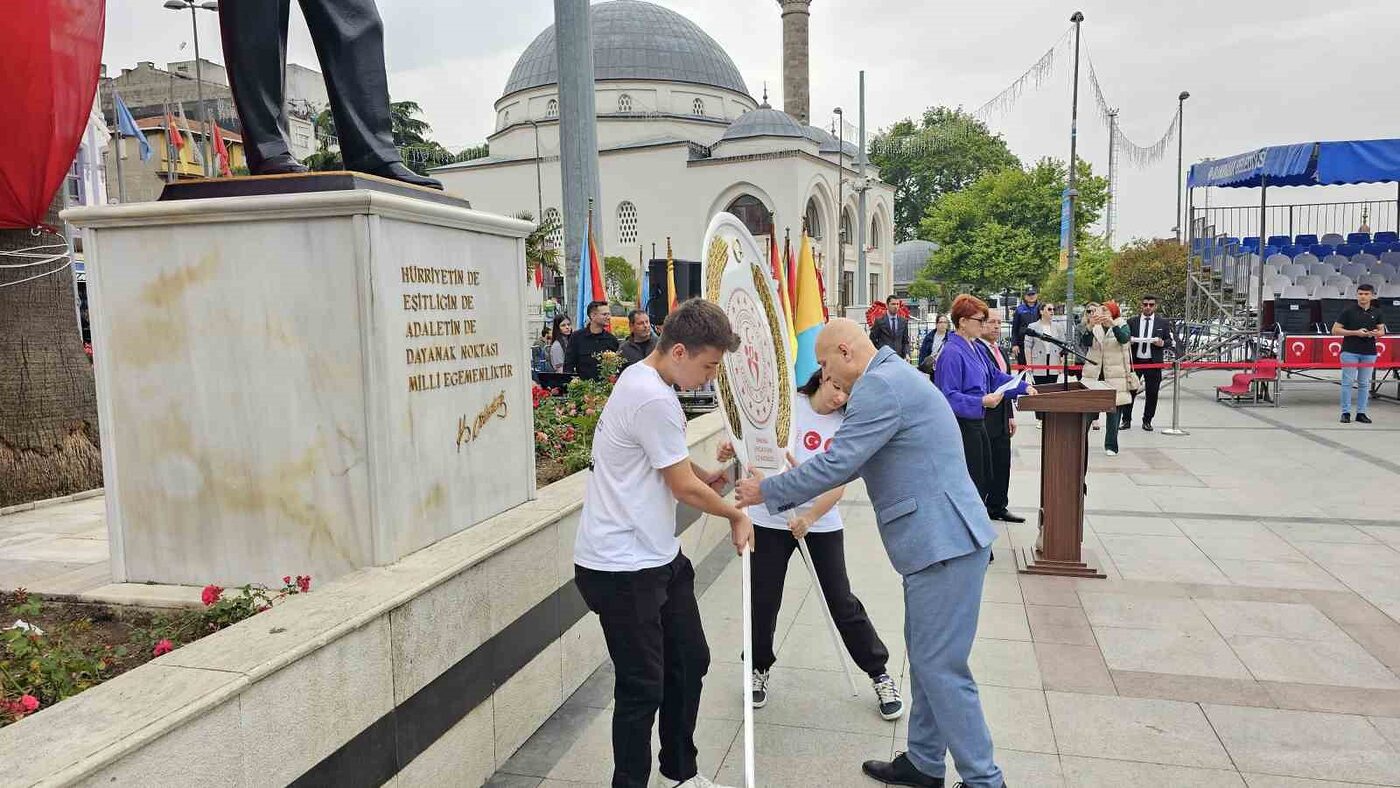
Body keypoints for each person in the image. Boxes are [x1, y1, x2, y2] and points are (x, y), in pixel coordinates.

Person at [735, 318, 1008, 788]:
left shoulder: (879, 388)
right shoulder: (894, 377)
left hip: (942, 543)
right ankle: (924, 763)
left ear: (845, 351)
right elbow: (850, 462)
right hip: (938, 543)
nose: (823, 374)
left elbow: (841, 461)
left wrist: (768, 491)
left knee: (942, 669)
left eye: (823, 363)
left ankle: (985, 780)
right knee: (928, 662)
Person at [574, 298, 752, 788]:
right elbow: (680, 487)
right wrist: (734, 512)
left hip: (656, 558)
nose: (711, 377)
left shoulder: (648, 384)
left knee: (689, 660)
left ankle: (681, 773)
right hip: (620, 567)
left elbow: (671, 465)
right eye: (709, 365)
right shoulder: (652, 397)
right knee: (642, 688)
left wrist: (707, 477)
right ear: (678, 350)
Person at [717, 371, 903, 721]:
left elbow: (838, 481)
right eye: (837, 387)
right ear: (825, 376)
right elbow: (751, 441)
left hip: (820, 523)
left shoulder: (848, 424)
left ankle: (879, 673)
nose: (839, 397)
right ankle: (757, 668)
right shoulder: (789, 407)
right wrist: (732, 446)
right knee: (763, 598)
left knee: (841, 600)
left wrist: (811, 518)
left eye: (847, 393)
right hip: (768, 519)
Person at [936, 295, 1031, 510]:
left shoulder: (976, 347)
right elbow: (947, 396)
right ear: (962, 321)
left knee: (985, 478)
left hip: (978, 424)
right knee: (971, 483)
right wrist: (980, 401)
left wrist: (1023, 386)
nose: (984, 325)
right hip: (961, 426)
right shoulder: (951, 352)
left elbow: (995, 377)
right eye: (980, 320)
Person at [979, 313, 1024, 524]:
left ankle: (998, 505)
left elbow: (1006, 385)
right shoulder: (978, 351)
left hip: (1002, 414)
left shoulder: (1000, 350)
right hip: (984, 413)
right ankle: (981, 508)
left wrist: (1010, 415)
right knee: (984, 466)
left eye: (999, 323)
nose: (997, 327)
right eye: (992, 323)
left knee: (1002, 462)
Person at [1081, 301, 1137, 456]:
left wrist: (1112, 325)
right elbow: (1085, 343)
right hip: (1095, 373)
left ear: (1113, 311)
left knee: (1114, 412)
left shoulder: (1121, 324)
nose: (1102, 313)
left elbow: (1124, 339)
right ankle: (1080, 440)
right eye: (1101, 310)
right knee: (1089, 410)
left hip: (1115, 375)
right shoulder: (1096, 326)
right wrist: (1090, 327)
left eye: (1105, 310)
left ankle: (1111, 445)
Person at [1334, 282, 1386, 424]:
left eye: (1366, 294)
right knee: (1347, 382)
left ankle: (1361, 412)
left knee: (1364, 383)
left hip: (1369, 351)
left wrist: (1376, 333)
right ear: (1357, 295)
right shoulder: (1348, 311)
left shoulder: (1377, 312)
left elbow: (1382, 331)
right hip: (1350, 350)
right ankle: (1345, 412)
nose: (1363, 297)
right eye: (1360, 294)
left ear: (1372, 296)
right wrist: (1355, 333)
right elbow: (1335, 330)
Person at [1123, 294, 1174, 431]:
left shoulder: (1162, 322)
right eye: (1145, 304)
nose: (1147, 307)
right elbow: (1124, 338)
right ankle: (1126, 420)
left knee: (1152, 393)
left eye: (1151, 305)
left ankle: (1147, 420)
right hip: (1136, 362)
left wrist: (1162, 343)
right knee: (1130, 391)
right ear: (1141, 305)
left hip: (1153, 362)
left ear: (1155, 306)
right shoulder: (1132, 321)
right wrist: (1129, 341)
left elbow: (1169, 341)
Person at [1022, 302, 1063, 426]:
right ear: (1041, 311)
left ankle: (1049, 417)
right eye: (1049, 309)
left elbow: (1061, 345)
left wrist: (1061, 362)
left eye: (1053, 309)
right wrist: (1029, 365)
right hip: (1038, 360)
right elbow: (1027, 346)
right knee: (1039, 390)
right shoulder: (1033, 326)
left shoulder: (1058, 327)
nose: (1052, 311)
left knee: (1051, 390)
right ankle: (1040, 418)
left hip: (1053, 360)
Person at [565, 300, 622, 380]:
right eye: (604, 314)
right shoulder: (577, 337)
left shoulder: (611, 339)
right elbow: (568, 366)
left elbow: (618, 366)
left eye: (609, 314)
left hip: (606, 389)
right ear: (593, 316)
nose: (608, 317)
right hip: (583, 389)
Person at [869, 294, 911, 359]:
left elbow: (905, 341)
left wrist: (907, 354)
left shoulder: (903, 321)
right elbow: (872, 339)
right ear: (887, 305)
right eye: (893, 304)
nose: (896, 306)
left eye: (897, 304)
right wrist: (879, 351)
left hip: (899, 357)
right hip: (884, 357)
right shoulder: (879, 321)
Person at [1009, 286, 1041, 367]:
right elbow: (1015, 328)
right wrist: (1014, 344)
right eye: (1029, 294)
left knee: (1038, 369)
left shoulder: (1041, 308)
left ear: (1036, 295)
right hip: (1022, 343)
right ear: (1025, 296)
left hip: (1038, 343)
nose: (1031, 296)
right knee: (1022, 369)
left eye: (1033, 294)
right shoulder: (1019, 309)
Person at [916, 313, 951, 383]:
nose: (943, 324)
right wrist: (922, 367)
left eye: (945, 322)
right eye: (940, 322)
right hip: (932, 370)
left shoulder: (950, 338)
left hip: (946, 369)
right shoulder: (929, 337)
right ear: (936, 324)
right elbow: (923, 353)